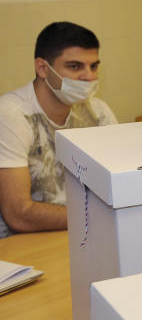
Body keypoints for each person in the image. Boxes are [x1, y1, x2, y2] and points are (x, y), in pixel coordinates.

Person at [0, 22, 117, 238]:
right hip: (22, 244)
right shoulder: (10, 115)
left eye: (94, 66)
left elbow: (119, 183)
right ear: (43, 68)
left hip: (82, 233)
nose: (89, 76)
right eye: (75, 66)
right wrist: (97, 218)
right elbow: (18, 214)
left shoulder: (98, 111)